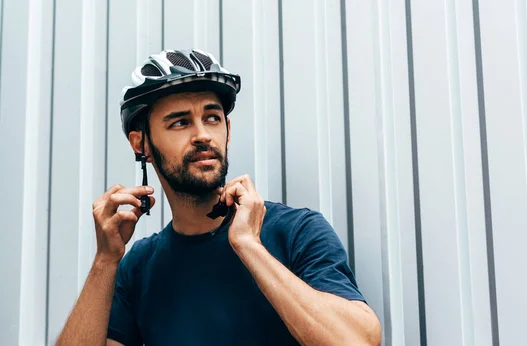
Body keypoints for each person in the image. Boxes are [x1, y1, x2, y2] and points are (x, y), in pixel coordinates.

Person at [55, 49, 381, 346]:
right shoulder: (139, 267)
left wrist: (249, 246)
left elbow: (360, 342)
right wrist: (105, 261)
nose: (202, 135)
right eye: (180, 122)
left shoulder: (296, 232)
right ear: (141, 144)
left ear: (227, 127)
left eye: (212, 118)